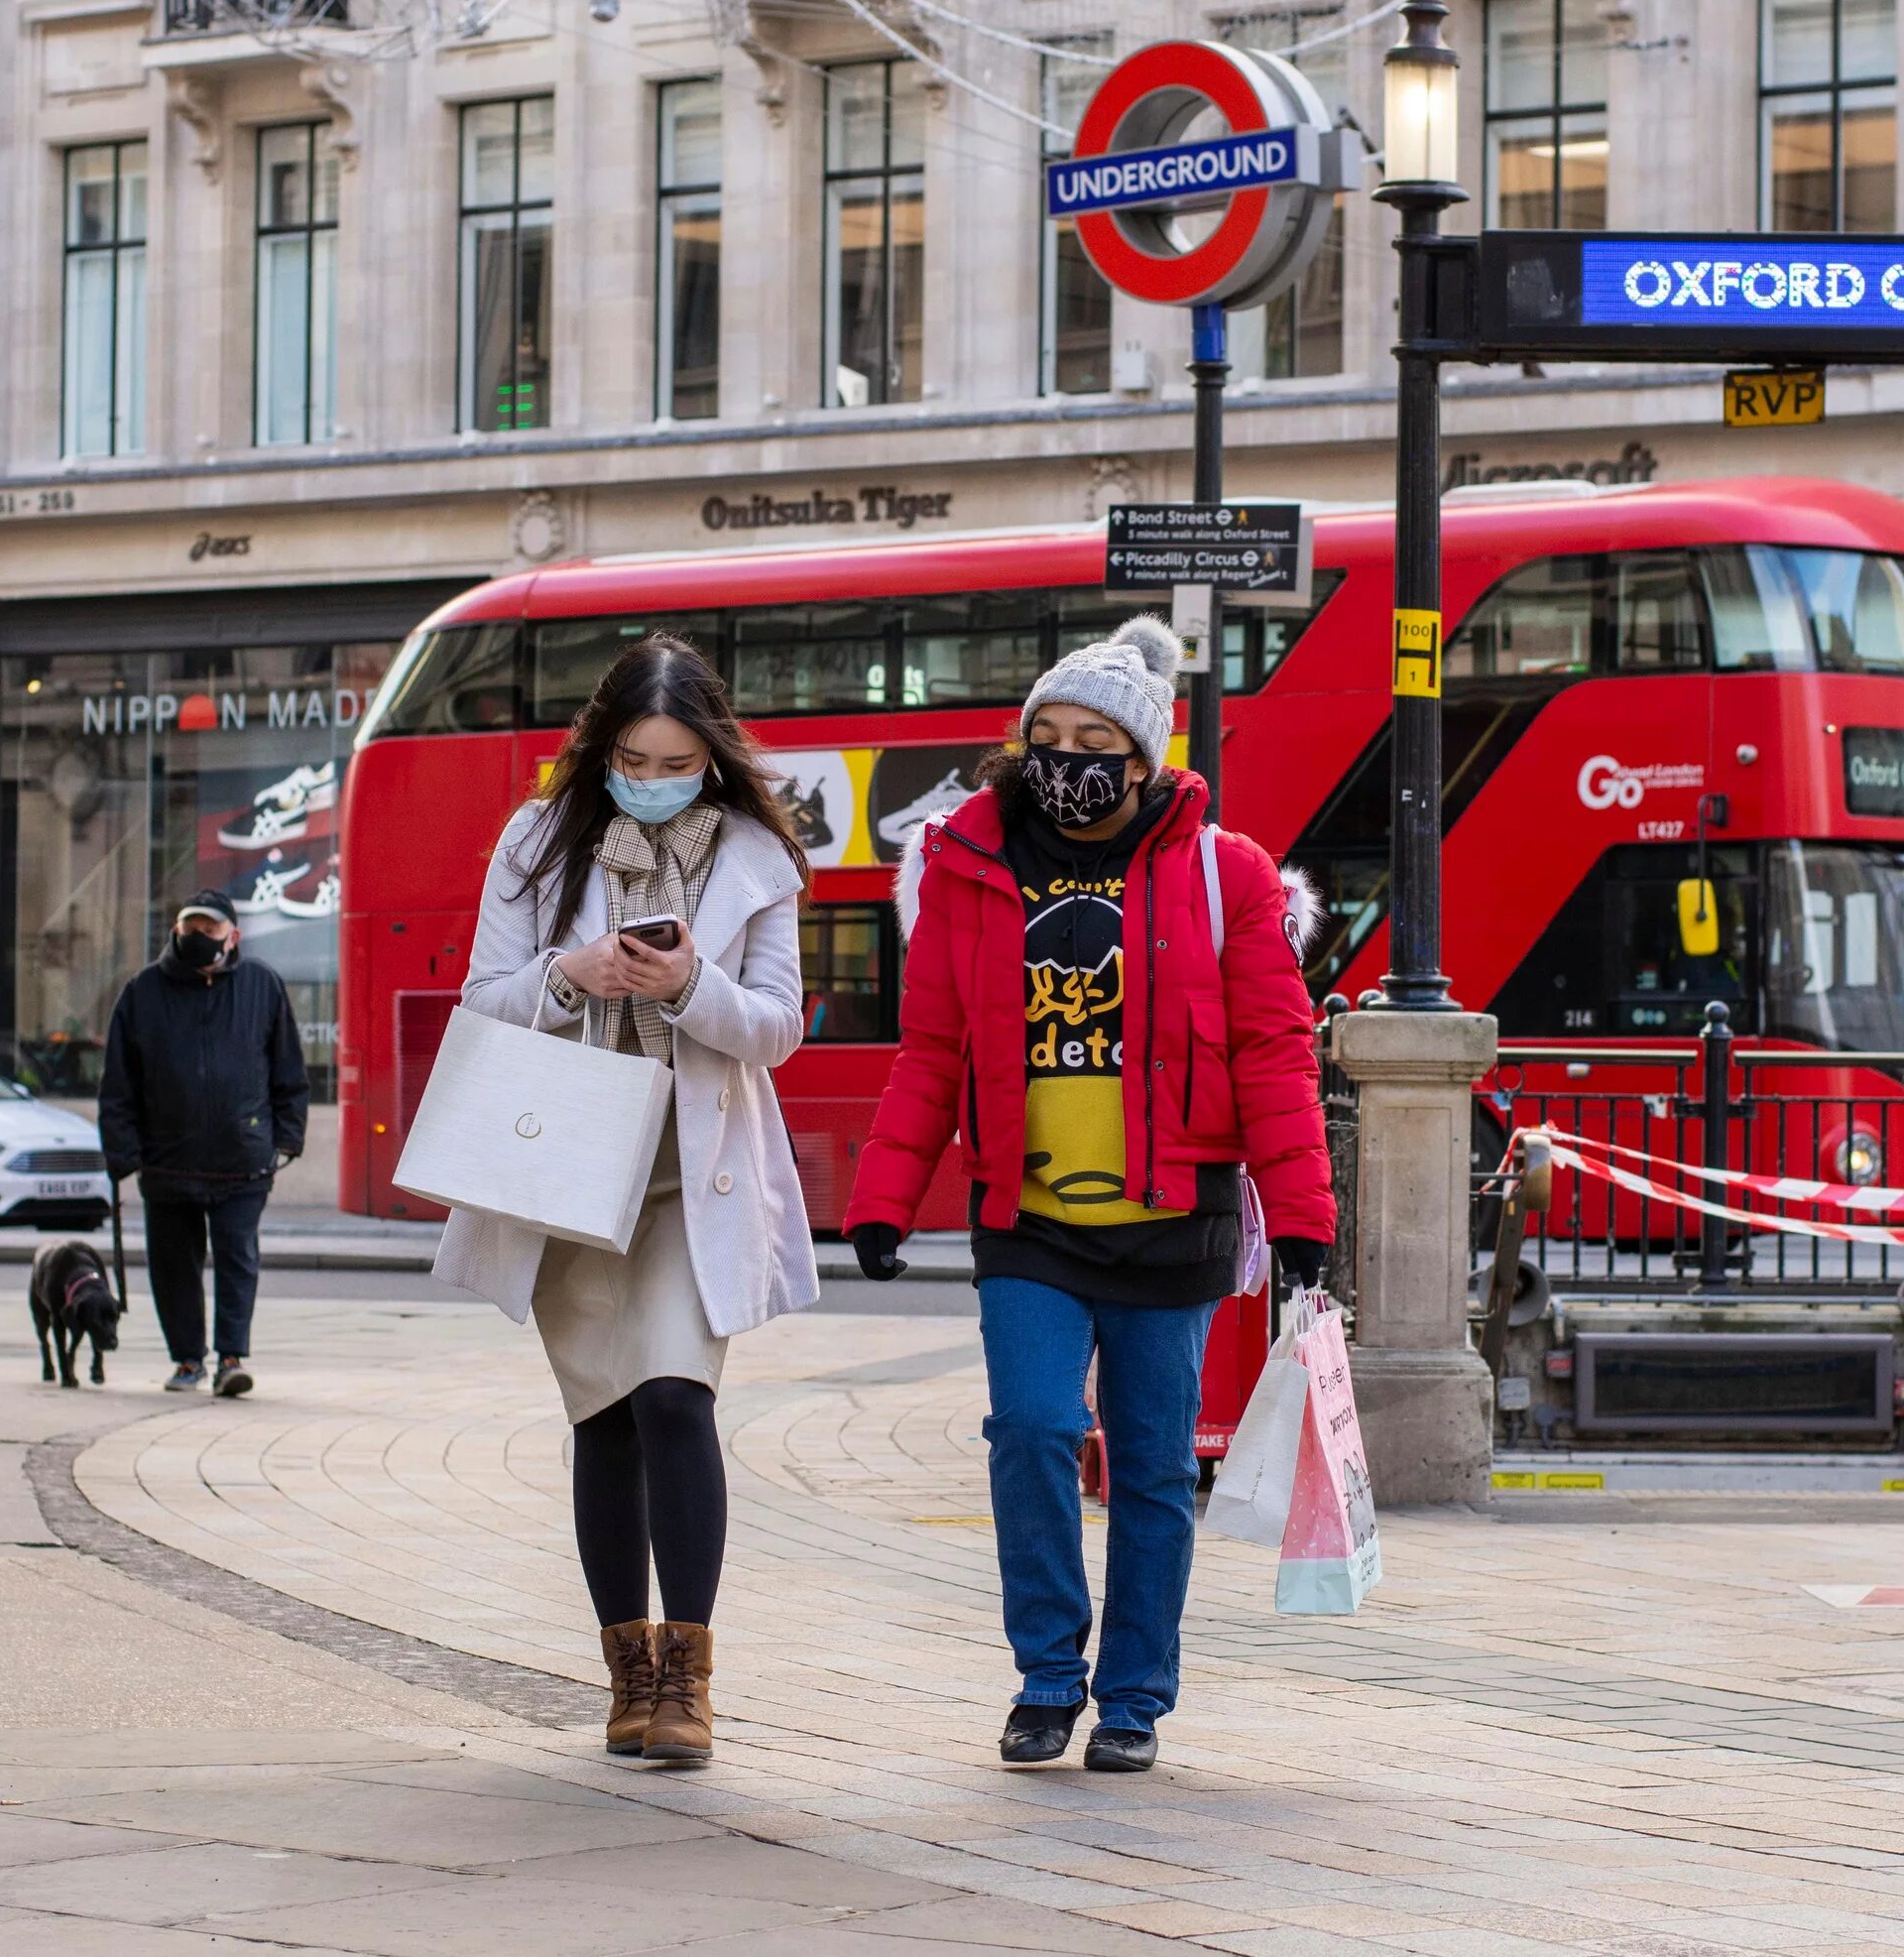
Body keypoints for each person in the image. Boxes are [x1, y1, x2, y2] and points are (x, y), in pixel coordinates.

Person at [844, 616, 1335, 1774]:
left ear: (1146, 756)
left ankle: (1133, 1697)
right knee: (1033, 1429)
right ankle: (1047, 1675)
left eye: (1095, 739)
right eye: (1047, 735)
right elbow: (928, 1051)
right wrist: (884, 1193)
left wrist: (1304, 1216)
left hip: (1178, 1215)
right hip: (1031, 1218)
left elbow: (1273, 1049)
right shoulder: (968, 866)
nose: (1067, 758)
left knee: (1155, 1464)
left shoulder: (1228, 875)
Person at [435, 634, 817, 1768]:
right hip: (568, 1164)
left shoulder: (757, 854)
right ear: (602, 746)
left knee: (674, 1397)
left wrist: (692, 984)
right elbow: (482, 1001)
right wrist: (575, 974)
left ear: (713, 757)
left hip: (688, 1174)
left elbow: (779, 1027)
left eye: (677, 759)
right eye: (634, 755)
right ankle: (628, 1670)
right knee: (602, 1412)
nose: (652, 776)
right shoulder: (536, 840)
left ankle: (690, 1679)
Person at [97, 889, 306, 1398]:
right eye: (189, 926)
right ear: (175, 929)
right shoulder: (142, 991)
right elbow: (118, 1082)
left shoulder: (263, 986)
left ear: (232, 936)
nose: (196, 936)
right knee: (174, 1268)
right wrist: (122, 1153)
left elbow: (288, 1068)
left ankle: (231, 1357)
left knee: (238, 1259)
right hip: (167, 1164)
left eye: (208, 929)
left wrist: (287, 1138)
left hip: (243, 1162)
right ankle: (188, 1360)